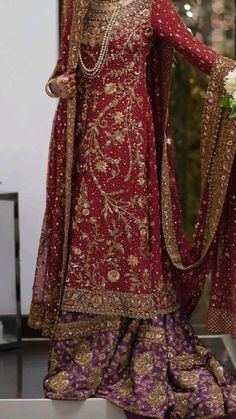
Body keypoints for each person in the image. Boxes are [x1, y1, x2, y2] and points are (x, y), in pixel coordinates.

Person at [28, 0, 236, 417]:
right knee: (91, 238)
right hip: (87, 146)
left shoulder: (153, 7)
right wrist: (56, 88)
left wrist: (234, 79)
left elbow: (199, 54)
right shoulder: (81, 9)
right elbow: (57, 78)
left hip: (130, 146)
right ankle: (87, 351)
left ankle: (139, 341)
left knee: (129, 242)